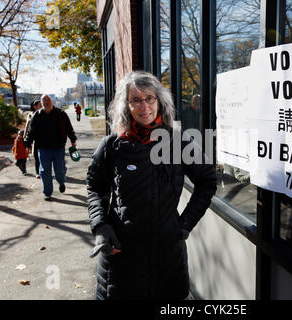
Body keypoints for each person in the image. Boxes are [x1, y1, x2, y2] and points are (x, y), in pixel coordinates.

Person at [86, 71, 217, 300]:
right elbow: (95, 188)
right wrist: (101, 227)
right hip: (122, 257)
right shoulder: (111, 146)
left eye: (149, 98)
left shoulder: (178, 142)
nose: (144, 106)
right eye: (135, 100)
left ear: (159, 101)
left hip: (167, 258)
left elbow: (207, 181)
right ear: (126, 105)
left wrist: (185, 223)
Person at [24, 94, 77, 201]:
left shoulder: (60, 114)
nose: (46, 102)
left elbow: (69, 128)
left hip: (58, 148)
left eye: (48, 100)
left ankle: (61, 181)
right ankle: (47, 192)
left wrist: (73, 140)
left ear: (51, 102)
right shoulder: (37, 116)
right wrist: (28, 144)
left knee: (60, 170)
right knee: (44, 171)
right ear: (41, 104)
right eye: (44, 101)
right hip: (43, 148)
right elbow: (31, 132)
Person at [24, 100, 42, 178]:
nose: (41, 105)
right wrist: (25, 137)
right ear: (35, 106)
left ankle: (43, 171)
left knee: (44, 156)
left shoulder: (43, 113)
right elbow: (27, 127)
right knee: (36, 156)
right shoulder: (31, 115)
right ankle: (38, 172)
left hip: (43, 138)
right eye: (39, 104)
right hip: (34, 138)